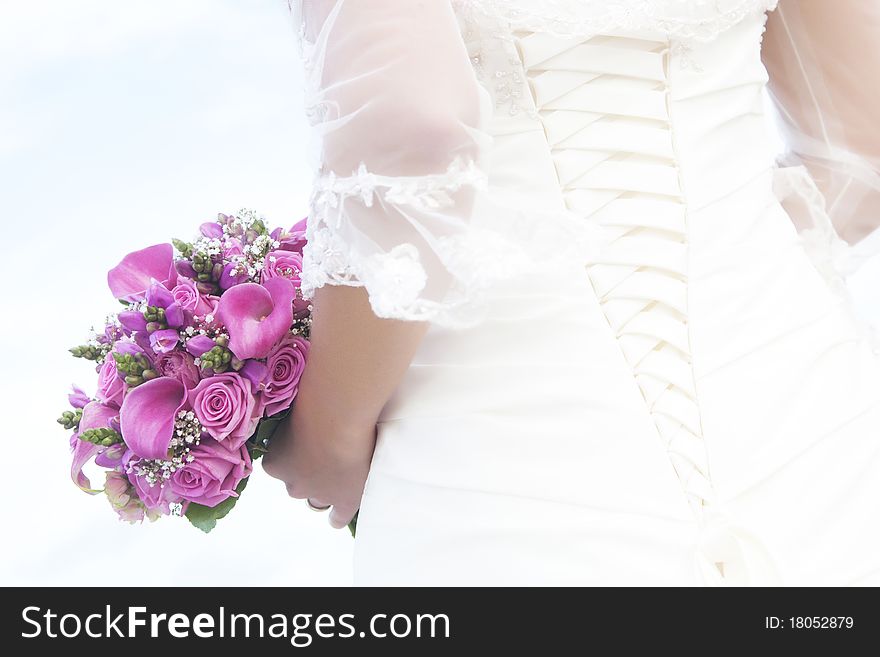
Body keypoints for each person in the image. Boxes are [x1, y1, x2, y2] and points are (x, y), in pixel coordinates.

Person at [262, 0, 880, 585]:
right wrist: (745, 267)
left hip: (507, 485)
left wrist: (329, 431)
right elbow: (861, 151)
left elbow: (412, 134)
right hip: (816, 445)